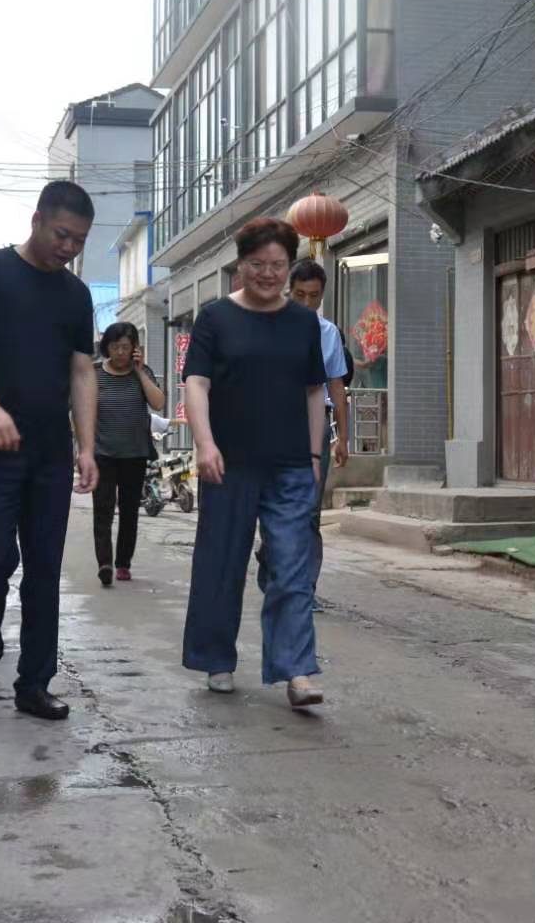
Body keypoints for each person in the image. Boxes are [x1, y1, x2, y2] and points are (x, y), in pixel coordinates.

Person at [0, 181, 99, 720]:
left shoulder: (76, 295)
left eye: (79, 240)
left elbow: (82, 372)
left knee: (43, 567)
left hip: (50, 452)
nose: (68, 248)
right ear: (36, 220)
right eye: (62, 235)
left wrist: (87, 446)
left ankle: (34, 683)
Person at [182, 218, 328, 708]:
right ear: (240, 265)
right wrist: (205, 443)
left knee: (292, 565)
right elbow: (196, 383)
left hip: (290, 464)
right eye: (258, 264)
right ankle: (216, 657)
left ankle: (297, 670)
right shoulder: (215, 318)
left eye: (278, 265)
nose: (268, 274)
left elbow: (314, 391)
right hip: (228, 464)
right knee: (221, 563)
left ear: (289, 266)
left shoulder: (303, 322)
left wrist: (314, 454)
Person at [256, 260, 351, 593]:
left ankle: (303, 588)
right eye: (300, 295)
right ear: (288, 291)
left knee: (309, 511)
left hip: (315, 425)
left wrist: (343, 437)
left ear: (322, 296)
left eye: (314, 296)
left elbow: (336, 386)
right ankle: (272, 561)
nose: (307, 303)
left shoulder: (328, 333)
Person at [92, 321, 166, 587]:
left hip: (134, 454)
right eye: (115, 347)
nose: (121, 352)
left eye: (126, 347)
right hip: (102, 453)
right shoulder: (95, 374)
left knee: (129, 510)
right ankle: (105, 563)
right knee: (102, 510)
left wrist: (139, 371)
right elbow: (81, 410)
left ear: (135, 348)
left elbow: (158, 403)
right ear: (107, 347)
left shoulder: (142, 372)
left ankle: (123, 562)